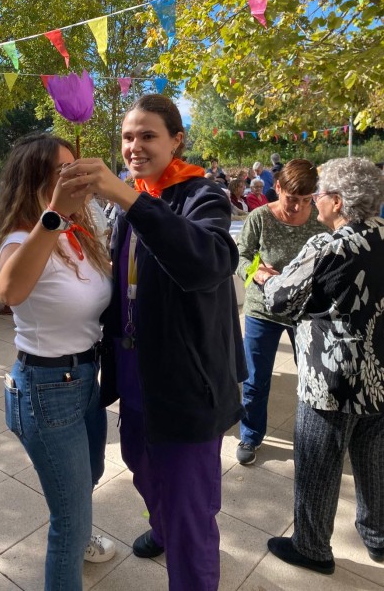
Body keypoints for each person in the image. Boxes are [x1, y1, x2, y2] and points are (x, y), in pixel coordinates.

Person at [60, 94, 246, 591]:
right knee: (141, 467)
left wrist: (128, 198)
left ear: (176, 140)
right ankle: (161, 527)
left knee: (189, 503)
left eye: (147, 135)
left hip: (184, 377)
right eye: (127, 137)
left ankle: (189, 566)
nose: (134, 146)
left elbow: (207, 262)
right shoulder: (133, 200)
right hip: (133, 370)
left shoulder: (202, 194)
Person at [0, 134, 115, 591]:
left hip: (85, 377)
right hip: (45, 388)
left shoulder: (78, 232)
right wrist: (55, 214)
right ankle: (75, 541)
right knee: (70, 519)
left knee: (90, 475)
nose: (75, 177)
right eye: (63, 171)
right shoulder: (24, 237)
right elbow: (10, 291)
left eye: (75, 168)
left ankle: (79, 533)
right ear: (35, 180)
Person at [260, 157, 384, 573]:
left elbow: (280, 300)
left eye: (319, 194)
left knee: (318, 463)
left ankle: (312, 547)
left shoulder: (327, 246)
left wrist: (265, 278)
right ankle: (378, 537)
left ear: (337, 201)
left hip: (331, 379)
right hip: (379, 372)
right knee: (374, 458)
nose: (314, 200)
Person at [235, 159, 325, 465]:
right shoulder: (260, 217)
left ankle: (312, 438)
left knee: (313, 378)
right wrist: (257, 272)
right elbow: (241, 257)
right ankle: (250, 435)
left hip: (307, 312)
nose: (298, 208)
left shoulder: (320, 220)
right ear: (278, 188)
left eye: (306, 200)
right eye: (291, 199)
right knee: (255, 379)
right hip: (263, 310)